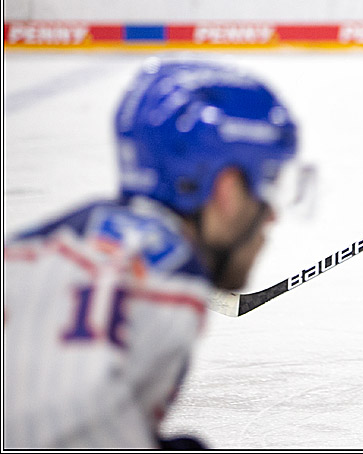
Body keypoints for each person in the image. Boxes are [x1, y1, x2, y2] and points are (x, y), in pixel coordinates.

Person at [3, 58, 303, 448]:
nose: (272, 214)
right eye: (267, 181)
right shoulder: (164, 285)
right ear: (226, 190)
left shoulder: (46, 240)